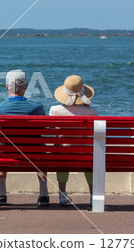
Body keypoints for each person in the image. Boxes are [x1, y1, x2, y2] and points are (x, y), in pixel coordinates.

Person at [0, 69, 50, 206]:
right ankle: (44, 194)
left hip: (6, 154)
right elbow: (45, 131)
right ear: (26, 87)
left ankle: (1, 194)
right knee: (42, 148)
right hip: (33, 155)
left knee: (1, 147)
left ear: (6, 87)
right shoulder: (37, 108)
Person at [49, 75, 97, 206]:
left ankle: (62, 194)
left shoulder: (55, 110)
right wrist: (86, 107)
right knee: (90, 155)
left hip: (63, 155)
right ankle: (93, 196)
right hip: (85, 156)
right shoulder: (93, 112)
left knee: (61, 151)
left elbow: (51, 131)